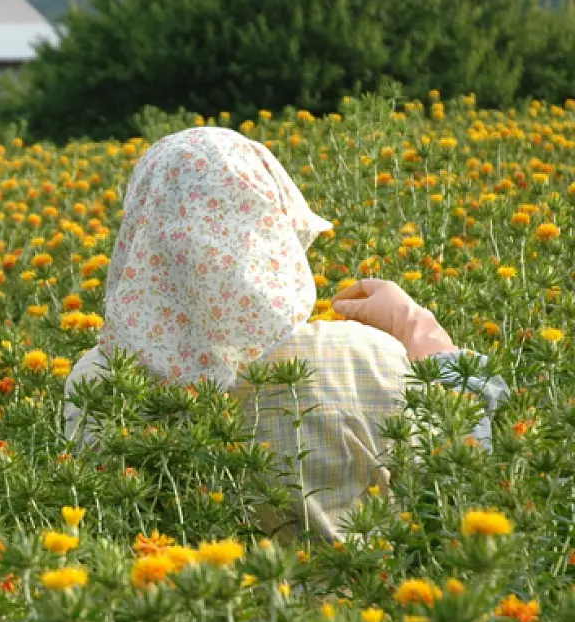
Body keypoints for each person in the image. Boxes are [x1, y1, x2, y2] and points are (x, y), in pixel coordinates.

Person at [64, 127, 506, 541]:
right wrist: (425, 338)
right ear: (270, 230)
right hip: (359, 617)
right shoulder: (363, 358)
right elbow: (464, 465)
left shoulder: (98, 384)